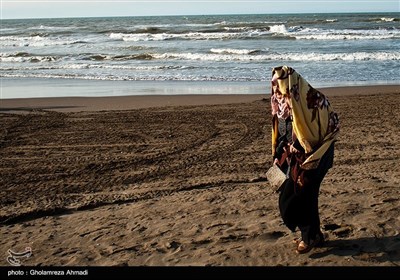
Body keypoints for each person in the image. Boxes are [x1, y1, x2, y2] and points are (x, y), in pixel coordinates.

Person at [270, 65, 340, 254]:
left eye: (280, 83)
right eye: (275, 83)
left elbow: (329, 124)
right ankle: (314, 235)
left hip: (316, 157)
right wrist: (280, 152)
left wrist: (302, 145)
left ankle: (309, 238)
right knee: (297, 197)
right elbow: (282, 129)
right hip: (294, 160)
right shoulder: (283, 101)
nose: (277, 87)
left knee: (303, 196)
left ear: (291, 81)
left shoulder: (313, 99)